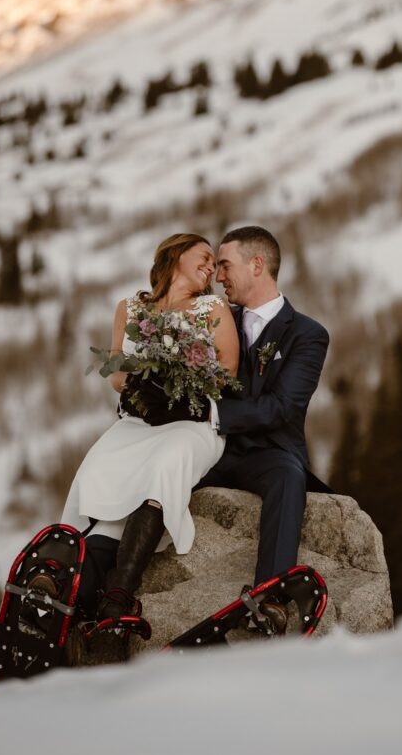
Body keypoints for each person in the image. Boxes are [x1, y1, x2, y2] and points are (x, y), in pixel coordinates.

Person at [58, 232, 239, 658]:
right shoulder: (130, 308)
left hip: (191, 424)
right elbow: (116, 370)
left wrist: (183, 379)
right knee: (98, 473)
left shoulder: (212, 309)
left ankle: (118, 597)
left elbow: (228, 370)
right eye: (205, 257)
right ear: (175, 255)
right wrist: (144, 382)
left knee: (166, 464)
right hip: (138, 421)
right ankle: (77, 603)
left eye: (215, 264)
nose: (211, 268)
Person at [194, 225, 331, 634]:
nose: (218, 276)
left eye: (224, 265)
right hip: (211, 449)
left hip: (268, 454)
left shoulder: (308, 334)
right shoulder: (216, 322)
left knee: (289, 477)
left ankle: (270, 598)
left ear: (257, 265)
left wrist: (213, 413)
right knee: (155, 471)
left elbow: (283, 407)